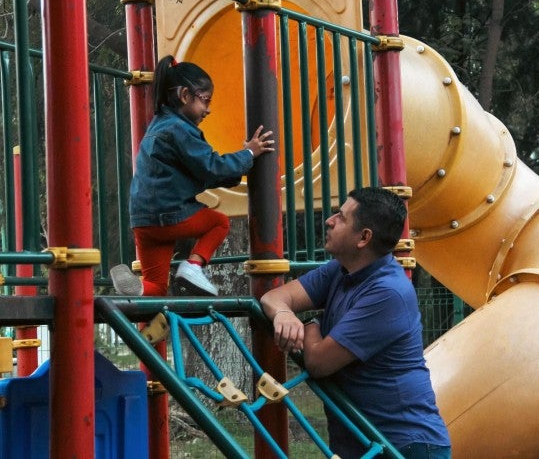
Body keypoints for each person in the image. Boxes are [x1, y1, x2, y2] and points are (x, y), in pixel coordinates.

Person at [260, 187, 451, 458]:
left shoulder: (388, 292)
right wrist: (284, 314)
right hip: (360, 439)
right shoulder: (340, 270)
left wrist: (312, 321)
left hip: (404, 444)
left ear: (364, 237)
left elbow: (318, 362)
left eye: (342, 216)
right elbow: (274, 297)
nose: (330, 220)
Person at [110, 54, 274, 297]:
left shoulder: (157, 126)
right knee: (219, 222)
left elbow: (206, 173)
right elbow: (213, 167)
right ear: (185, 95)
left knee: (155, 289)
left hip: (143, 222)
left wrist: (236, 170)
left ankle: (138, 291)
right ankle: (193, 266)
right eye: (205, 101)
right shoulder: (180, 130)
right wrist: (248, 154)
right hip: (169, 216)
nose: (208, 110)